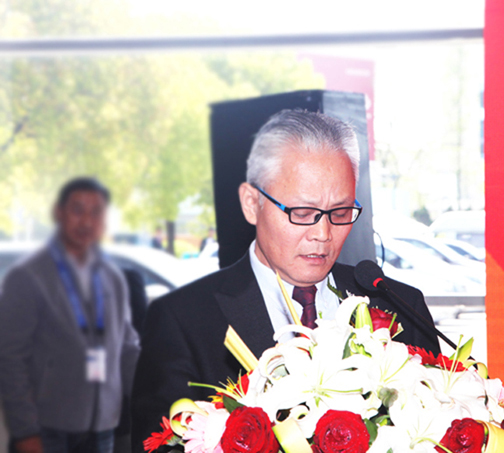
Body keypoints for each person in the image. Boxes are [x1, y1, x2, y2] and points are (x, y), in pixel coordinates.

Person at [130, 110, 440, 450]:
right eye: (302, 213)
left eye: (340, 212)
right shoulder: (183, 320)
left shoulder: (399, 307)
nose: (323, 234)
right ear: (252, 204)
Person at [0, 177, 141, 453]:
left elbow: (127, 348)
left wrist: (154, 397)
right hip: (46, 429)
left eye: (96, 212)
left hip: (103, 425)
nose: (87, 221)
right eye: (78, 210)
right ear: (59, 212)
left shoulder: (112, 277)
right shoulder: (27, 276)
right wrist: (26, 431)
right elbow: (10, 358)